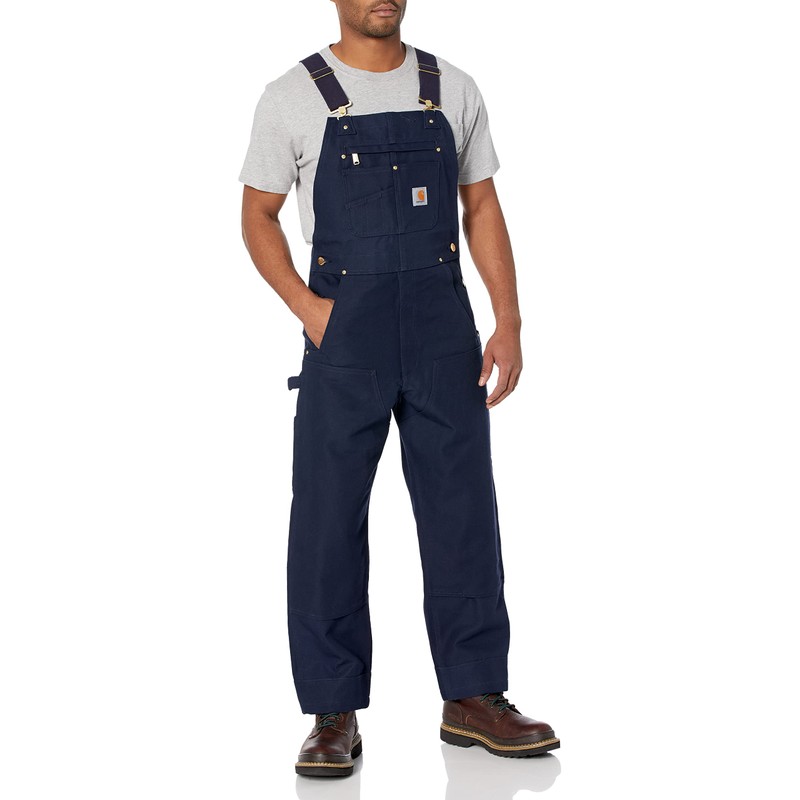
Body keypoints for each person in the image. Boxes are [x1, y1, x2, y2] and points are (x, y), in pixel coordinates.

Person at [238, 0, 559, 778]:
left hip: (444, 331)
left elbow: (481, 204)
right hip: (344, 335)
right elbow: (258, 214)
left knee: (462, 510)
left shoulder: (452, 87)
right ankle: (332, 712)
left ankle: (474, 696)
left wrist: (508, 319)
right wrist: (309, 309)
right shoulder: (293, 95)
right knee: (326, 517)